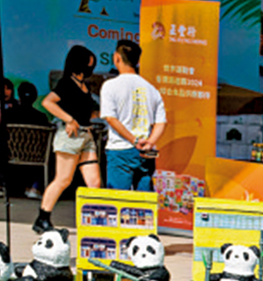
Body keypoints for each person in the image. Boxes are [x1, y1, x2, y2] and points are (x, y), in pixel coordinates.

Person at [36, 45, 101, 233]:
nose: (91, 66)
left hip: (86, 136)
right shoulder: (66, 83)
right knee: (63, 179)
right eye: (88, 63)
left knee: (94, 181)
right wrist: (69, 119)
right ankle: (42, 218)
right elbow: (47, 102)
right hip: (70, 136)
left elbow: (87, 112)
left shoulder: (85, 86)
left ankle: (93, 220)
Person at [99, 40, 166, 193]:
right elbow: (161, 122)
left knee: (117, 201)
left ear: (117, 58)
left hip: (120, 150)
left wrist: (134, 140)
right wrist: (149, 143)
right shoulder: (152, 89)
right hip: (146, 153)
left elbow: (110, 118)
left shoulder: (110, 85)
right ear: (138, 61)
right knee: (144, 206)